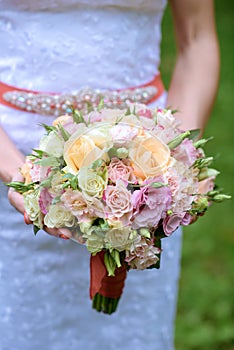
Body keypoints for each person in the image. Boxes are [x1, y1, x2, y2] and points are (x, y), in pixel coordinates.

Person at [0, 0, 219, 349]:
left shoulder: (158, 171)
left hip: (146, 170)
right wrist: (19, 173)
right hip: (17, 154)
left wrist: (175, 159)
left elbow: (197, 39)